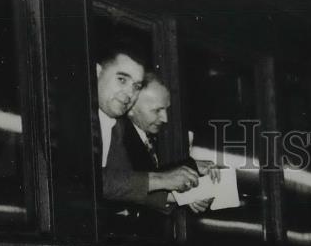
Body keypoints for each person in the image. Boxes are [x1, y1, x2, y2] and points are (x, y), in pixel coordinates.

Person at [93, 43, 199, 209]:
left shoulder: (117, 128)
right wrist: (161, 180)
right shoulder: (73, 116)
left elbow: (124, 184)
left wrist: (183, 196)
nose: (129, 94)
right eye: (122, 80)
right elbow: (88, 179)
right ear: (97, 73)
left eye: (136, 86)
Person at [117, 76, 219, 213]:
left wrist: (192, 167)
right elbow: (128, 187)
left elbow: (151, 176)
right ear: (130, 109)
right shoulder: (118, 140)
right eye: (156, 111)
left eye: (166, 109)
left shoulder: (147, 134)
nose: (165, 118)